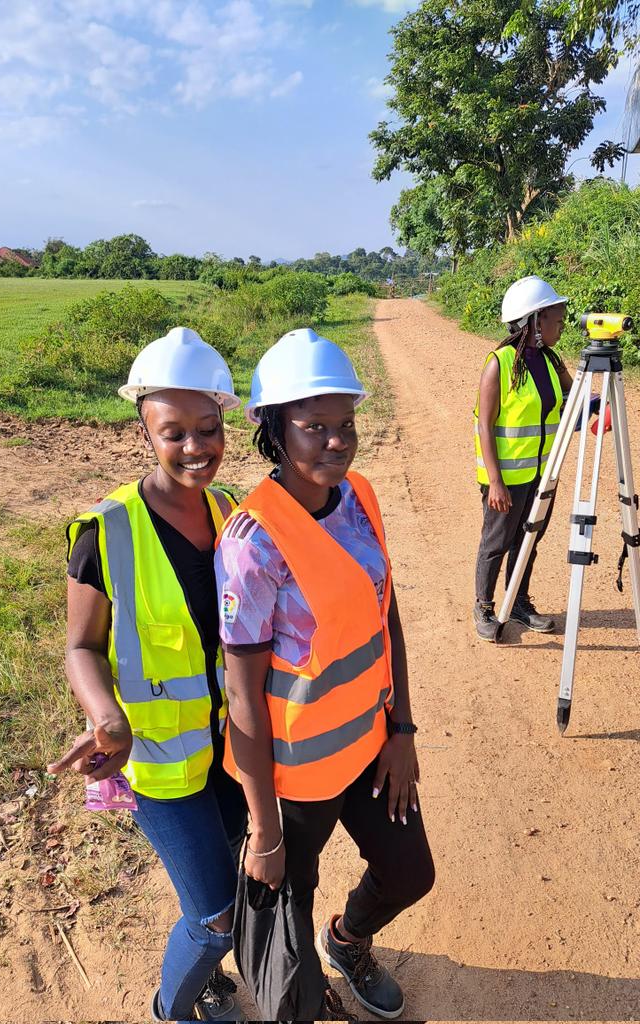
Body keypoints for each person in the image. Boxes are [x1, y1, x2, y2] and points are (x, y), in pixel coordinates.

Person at [215, 328, 435, 1021]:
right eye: (314, 427)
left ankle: (348, 940)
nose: (337, 442)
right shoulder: (253, 543)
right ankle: (308, 1000)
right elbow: (243, 696)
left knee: (410, 872)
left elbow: (384, 617)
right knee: (288, 914)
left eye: (346, 424)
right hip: (297, 780)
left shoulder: (359, 495)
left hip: (370, 748)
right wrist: (265, 829)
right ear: (275, 430)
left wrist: (401, 729)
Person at [47, 327, 248, 1022]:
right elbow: (81, 646)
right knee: (218, 918)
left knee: (222, 880)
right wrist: (106, 717)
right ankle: (173, 1008)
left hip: (231, 752)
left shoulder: (230, 513)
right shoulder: (105, 532)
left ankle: (201, 976)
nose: (195, 447)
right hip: (157, 761)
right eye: (174, 433)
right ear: (145, 432)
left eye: (208, 429)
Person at [473, 275, 573, 642]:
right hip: (507, 479)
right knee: (496, 542)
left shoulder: (551, 361)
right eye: (556, 320)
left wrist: (598, 408)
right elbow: (485, 426)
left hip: (543, 475)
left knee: (529, 540)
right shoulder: (498, 364)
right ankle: (484, 606)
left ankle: (517, 602)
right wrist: (495, 482)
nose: (561, 326)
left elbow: (574, 401)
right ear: (535, 320)